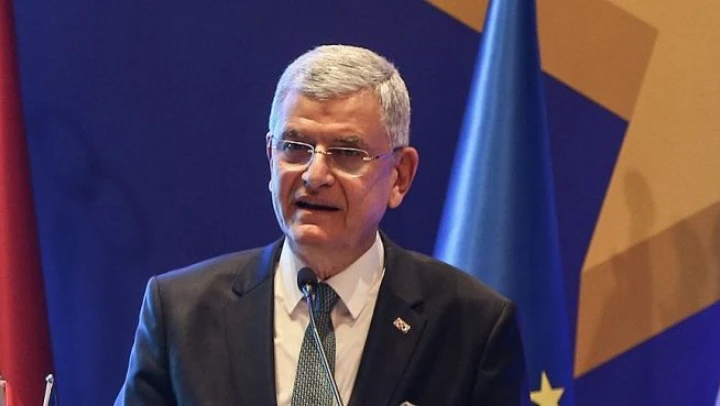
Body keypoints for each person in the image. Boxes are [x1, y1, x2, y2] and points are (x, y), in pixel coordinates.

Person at [115, 44, 525, 406]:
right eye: (295, 148)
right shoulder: (181, 312)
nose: (315, 175)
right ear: (271, 157)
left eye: (347, 152)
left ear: (400, 175)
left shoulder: (472, 325)